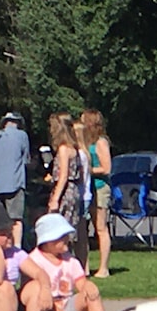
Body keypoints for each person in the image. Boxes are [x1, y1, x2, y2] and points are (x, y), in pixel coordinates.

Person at [22, 213, 106, 311]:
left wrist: (88, 286)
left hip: (67, 306)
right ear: (48, 241)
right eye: (61, 237)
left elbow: (81, 283)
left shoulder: (71, 261)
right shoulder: (34, 261)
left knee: (90, 294)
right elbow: (35, 298)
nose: (67, 239)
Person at [0, 112, 30, 247]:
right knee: (16, 219)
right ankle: (17, 247)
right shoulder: (22, 136)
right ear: (18, 123)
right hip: (15, 182)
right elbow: (26, 159)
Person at [81, 109, 113, 278]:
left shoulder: (101, 142)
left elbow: (107, 168)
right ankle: (84, 266)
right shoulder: (85, 142)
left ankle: (104, 267)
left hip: (100, 187)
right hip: (87, 187)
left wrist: (89, 170)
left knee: (100, 227)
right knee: (83, 227)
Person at [46, 112, 83, 238]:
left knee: (59, 229)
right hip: (74, 190)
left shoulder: (63, 149)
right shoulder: (74, 148)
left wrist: (55, 199)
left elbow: (63, 176)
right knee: (69, 226)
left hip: (65, 192)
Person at [71, 121, 93, 272]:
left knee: (78, 234)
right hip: (86, 194)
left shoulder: (79, 155)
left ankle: (81, 265)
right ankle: (84, 266)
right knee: (82, 233)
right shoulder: (86, 154)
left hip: (80, 194)